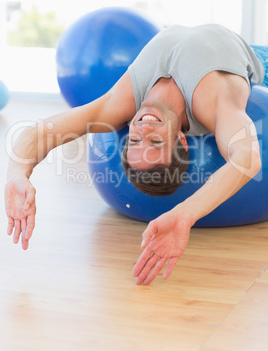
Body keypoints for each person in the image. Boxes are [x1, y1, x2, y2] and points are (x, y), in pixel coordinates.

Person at [4, 24, 266, 286]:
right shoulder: (215, 102)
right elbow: (247, 159)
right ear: (182, 140)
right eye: (155, 140)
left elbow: (37, 134)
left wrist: (16, 174)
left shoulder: (121, 104)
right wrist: (186, 214)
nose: (142, 126)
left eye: (134, 139)